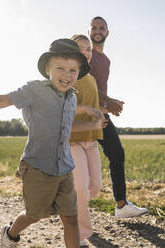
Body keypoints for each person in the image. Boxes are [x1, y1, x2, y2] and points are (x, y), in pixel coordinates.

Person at [0, 39, 106, 248]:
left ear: (79, 72)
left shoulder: (71, 98)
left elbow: (65, 131)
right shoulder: (34, 90)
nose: (67, 75)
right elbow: (3, 99)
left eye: (73, 70)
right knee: (34, 214)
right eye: (60, 68)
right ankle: (10, 233)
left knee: (71, 219)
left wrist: (95, 124)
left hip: (65, 167)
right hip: (38, 166)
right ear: (48, 68)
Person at [89, 16, 148, 218]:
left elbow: (98, 88)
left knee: (116, 153)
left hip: (101, 113)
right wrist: (108, 100)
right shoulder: (87, 56)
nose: (98, 30)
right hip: (86, 114)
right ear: (89, 31)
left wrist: (109, 103)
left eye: (101, 27)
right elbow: (87, 87)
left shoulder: (105, 60)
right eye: (94, 27)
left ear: (107, 32)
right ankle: (68, 207)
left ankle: (121, 205)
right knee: (79, 161)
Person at [69, 34, 105, 246]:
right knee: (81, 187)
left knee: (95, 186)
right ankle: (80, 234)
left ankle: (69, 205)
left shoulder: (91, 79)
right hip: (72, 140)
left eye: (89, 49)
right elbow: (64, 111)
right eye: (80, 48)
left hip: (91, 139)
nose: (86, 52)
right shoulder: (69, 78)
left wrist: (101, 115)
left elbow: (92, 107)